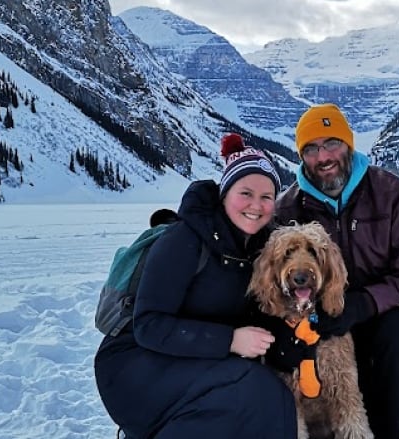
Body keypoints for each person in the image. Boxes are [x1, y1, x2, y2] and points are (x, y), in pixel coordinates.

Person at [94, 133, 297, 438]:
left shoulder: (259, 248)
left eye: (267, 197)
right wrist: (229, 340)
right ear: (225, 194)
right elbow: (148, 325)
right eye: (246, 193)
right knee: (253, 389)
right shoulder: (184, 240)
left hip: (197, 362)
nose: (256, 205)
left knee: (269, 391)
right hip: (136, 365)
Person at [274, 103, 399, 439]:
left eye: (331, 143)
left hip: (382, 311)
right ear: (303, 157)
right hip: (316, 314)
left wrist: (363, 304)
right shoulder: (287, 208)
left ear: (348, 144)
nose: (324, 157)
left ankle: (390, 430)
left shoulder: (391, 193)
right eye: (312, 149)